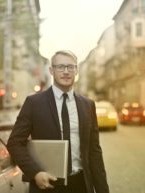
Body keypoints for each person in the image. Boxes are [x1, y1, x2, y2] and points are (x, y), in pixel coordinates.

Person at [7, 50, 110, 193]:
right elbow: (14, 143)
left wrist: (102, 190)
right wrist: (35, 173)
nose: (66, 71)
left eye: (70, 67)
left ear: (76, 70)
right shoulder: (34, 103)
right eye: (60, 67)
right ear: (51, 70)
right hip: (47, 184)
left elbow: (94, 151)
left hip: (81, 184)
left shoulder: (88, 105)